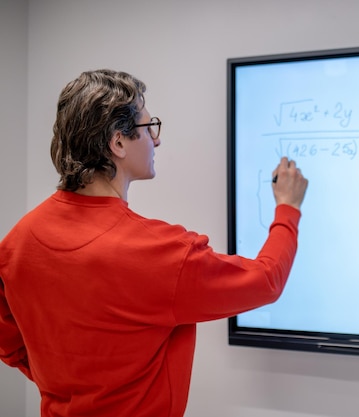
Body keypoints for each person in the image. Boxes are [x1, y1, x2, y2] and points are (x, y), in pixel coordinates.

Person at [0, 69, 308, 417]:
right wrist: (288, 207)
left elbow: (9, 345)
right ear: (118, 143)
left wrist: (66, 385)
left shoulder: (17, 242)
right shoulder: (157, 253)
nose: (157, 141)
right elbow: (266, 280)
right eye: (149, 129)